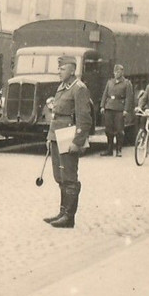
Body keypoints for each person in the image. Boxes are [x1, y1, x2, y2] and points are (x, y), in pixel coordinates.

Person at [44, 56, 93, 228]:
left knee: (70, 176)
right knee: (60, 176)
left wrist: (77, 141)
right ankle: (62, 212)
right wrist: (50, 138)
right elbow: (55, 115)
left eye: (62, 68)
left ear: (72, 70)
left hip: (68, 135)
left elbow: (84, 118)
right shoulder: (62, 87)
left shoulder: (79, 89)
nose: (59, 71)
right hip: (57, 135)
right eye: (58, 68)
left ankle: (69, 217)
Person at [99, 63, 134, 157]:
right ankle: (109, 149)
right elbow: (105, 94)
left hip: (119, 108)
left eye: (119, 71)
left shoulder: (127, 83)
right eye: (115, 71)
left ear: (122, 72)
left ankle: (119, 149)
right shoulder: (110, 82)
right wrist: (102, 106)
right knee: (108, 129)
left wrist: (126, 109)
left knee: (119, 130)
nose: (116, 73)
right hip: (109, 107)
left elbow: (128, 98)